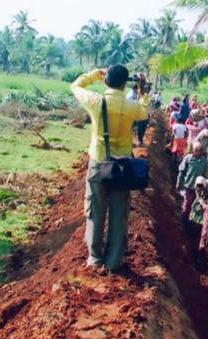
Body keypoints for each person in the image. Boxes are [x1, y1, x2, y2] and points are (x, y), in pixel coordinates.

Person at [71, 65, 148, 271]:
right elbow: (144, 112)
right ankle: (113, 262)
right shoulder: (132, 107)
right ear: (125, 84)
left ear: (106, 81)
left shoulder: (96, 101)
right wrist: (143, 91)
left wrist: (96, 73)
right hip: (122, 167)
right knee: (118, 214)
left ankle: (94, 259)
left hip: (98, 162)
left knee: (95, 211)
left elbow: (76, 85)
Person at [176, 142, 208, 219]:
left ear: (201, 151)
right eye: (196, 150)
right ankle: (184, 219)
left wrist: (207, 186)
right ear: (193, 151)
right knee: (187, 204)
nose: (197, 152)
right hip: (189, 185)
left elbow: (206, 175)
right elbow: (182, 172)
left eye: (199, 151)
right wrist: (178, 182)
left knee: (197, 204)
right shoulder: (188, 158)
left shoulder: (204, 161)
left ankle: (194, 220)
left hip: (199, 187)